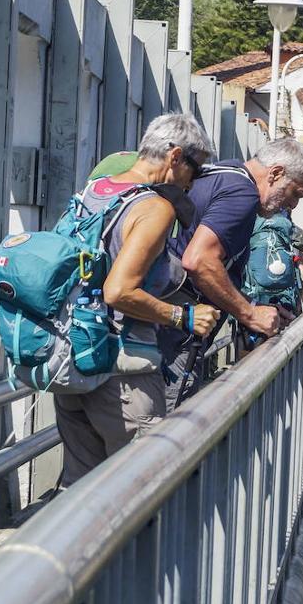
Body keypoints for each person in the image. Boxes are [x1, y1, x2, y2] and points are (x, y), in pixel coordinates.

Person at [54, 114, 220, 485]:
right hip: (123, 375)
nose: (193, 182)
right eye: (195, 169)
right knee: (139, 493)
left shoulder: (94, 192)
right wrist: (183, 317)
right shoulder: (153, 208)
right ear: (175, 156)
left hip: (73, 360)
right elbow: (119, 290)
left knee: (80, 493)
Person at [160, 138, 303, 405]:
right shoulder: (242, 194)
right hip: (176, 334)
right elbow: (199, 260)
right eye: (295, 193)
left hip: (156, 320)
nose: (293, 206)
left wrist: (250, 305)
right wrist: (251, 314)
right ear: (276, 173)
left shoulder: (223, 172)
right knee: (166, 434)